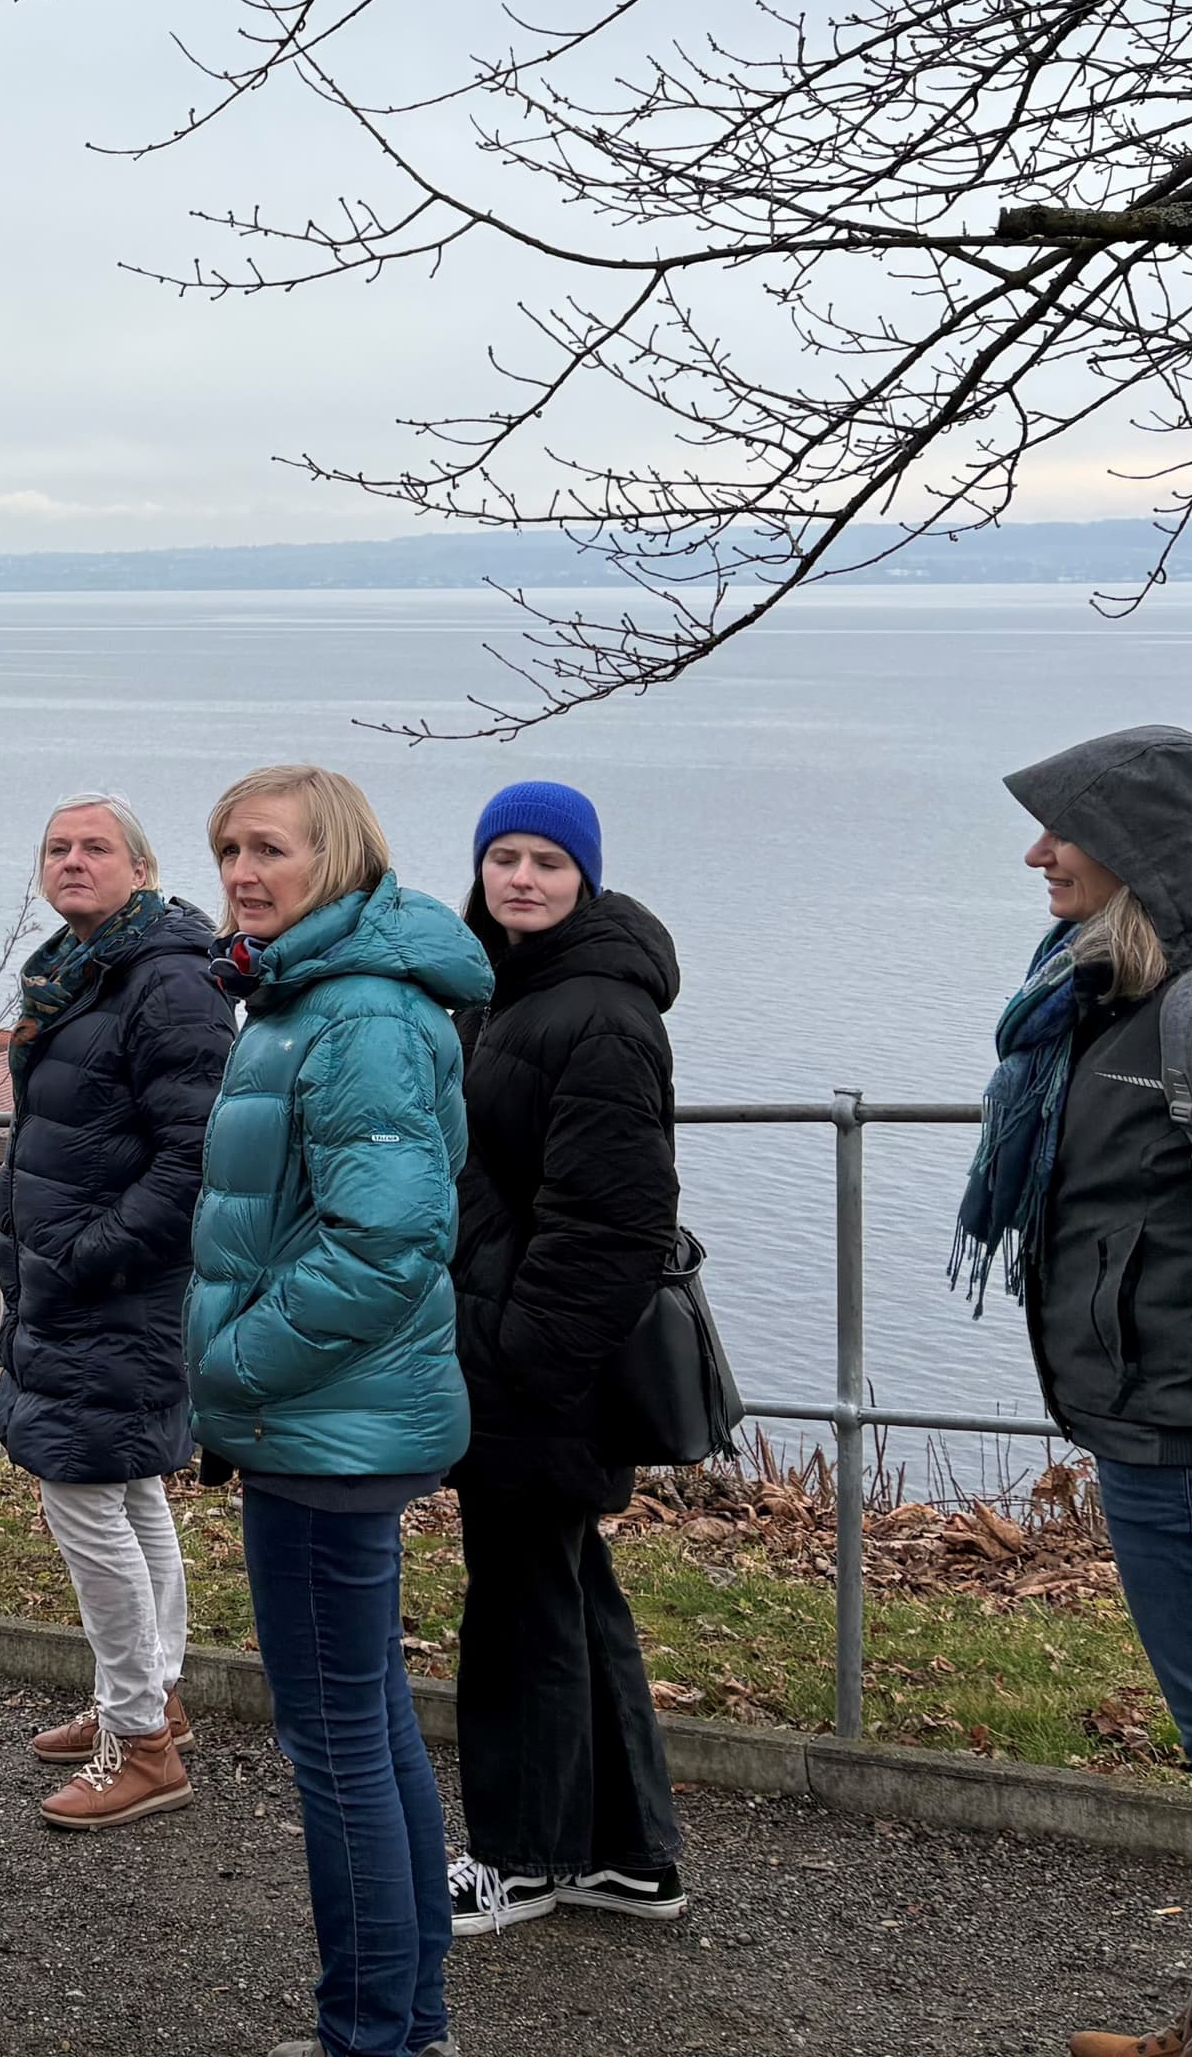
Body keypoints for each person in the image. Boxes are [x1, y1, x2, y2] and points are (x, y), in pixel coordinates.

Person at [189, 764, 490, 2057]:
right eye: (228, 854)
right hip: (342, 1422)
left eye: (269, 851)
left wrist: (241, 1364)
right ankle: (405, 2023)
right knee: (369, 1732)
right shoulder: (316, 993)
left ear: (341, 859)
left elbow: (387, 1241)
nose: (244, 876)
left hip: (321, 1425)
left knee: (339, 1751)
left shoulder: (352, 1012)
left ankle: (372, 2034)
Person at [963, 729, 1192, 2057]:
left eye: (1061, 827)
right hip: (1148, 1411)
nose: (1037, 851)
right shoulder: (1109, 991)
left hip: (1189, 1428)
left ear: (1146, 846)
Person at [443, 779, 689, 1940]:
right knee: (569, 1596)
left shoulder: (597, 1013)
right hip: (520, 1355)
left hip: (535, 1370)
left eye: (547, 860)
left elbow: (617, 1222)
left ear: (585, 875)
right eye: (506, 858)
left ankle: (522, 1860)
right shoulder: (509, 991)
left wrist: (516, 1356)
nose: (522, 878)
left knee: (520, 1618)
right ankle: (631, 1857)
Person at [0, 791, 228, 1830]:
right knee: (127, 1488)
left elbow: (197, 1151)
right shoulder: (88, 968)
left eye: (96, 847)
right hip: (83, 1284)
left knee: (82, 1494)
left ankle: (138, 1743)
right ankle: (153, 1696)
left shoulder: (164, 981)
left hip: (110, 1288)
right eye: (58, 846)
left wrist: (88, 1254)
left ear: (142, 867)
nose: (73, 860)